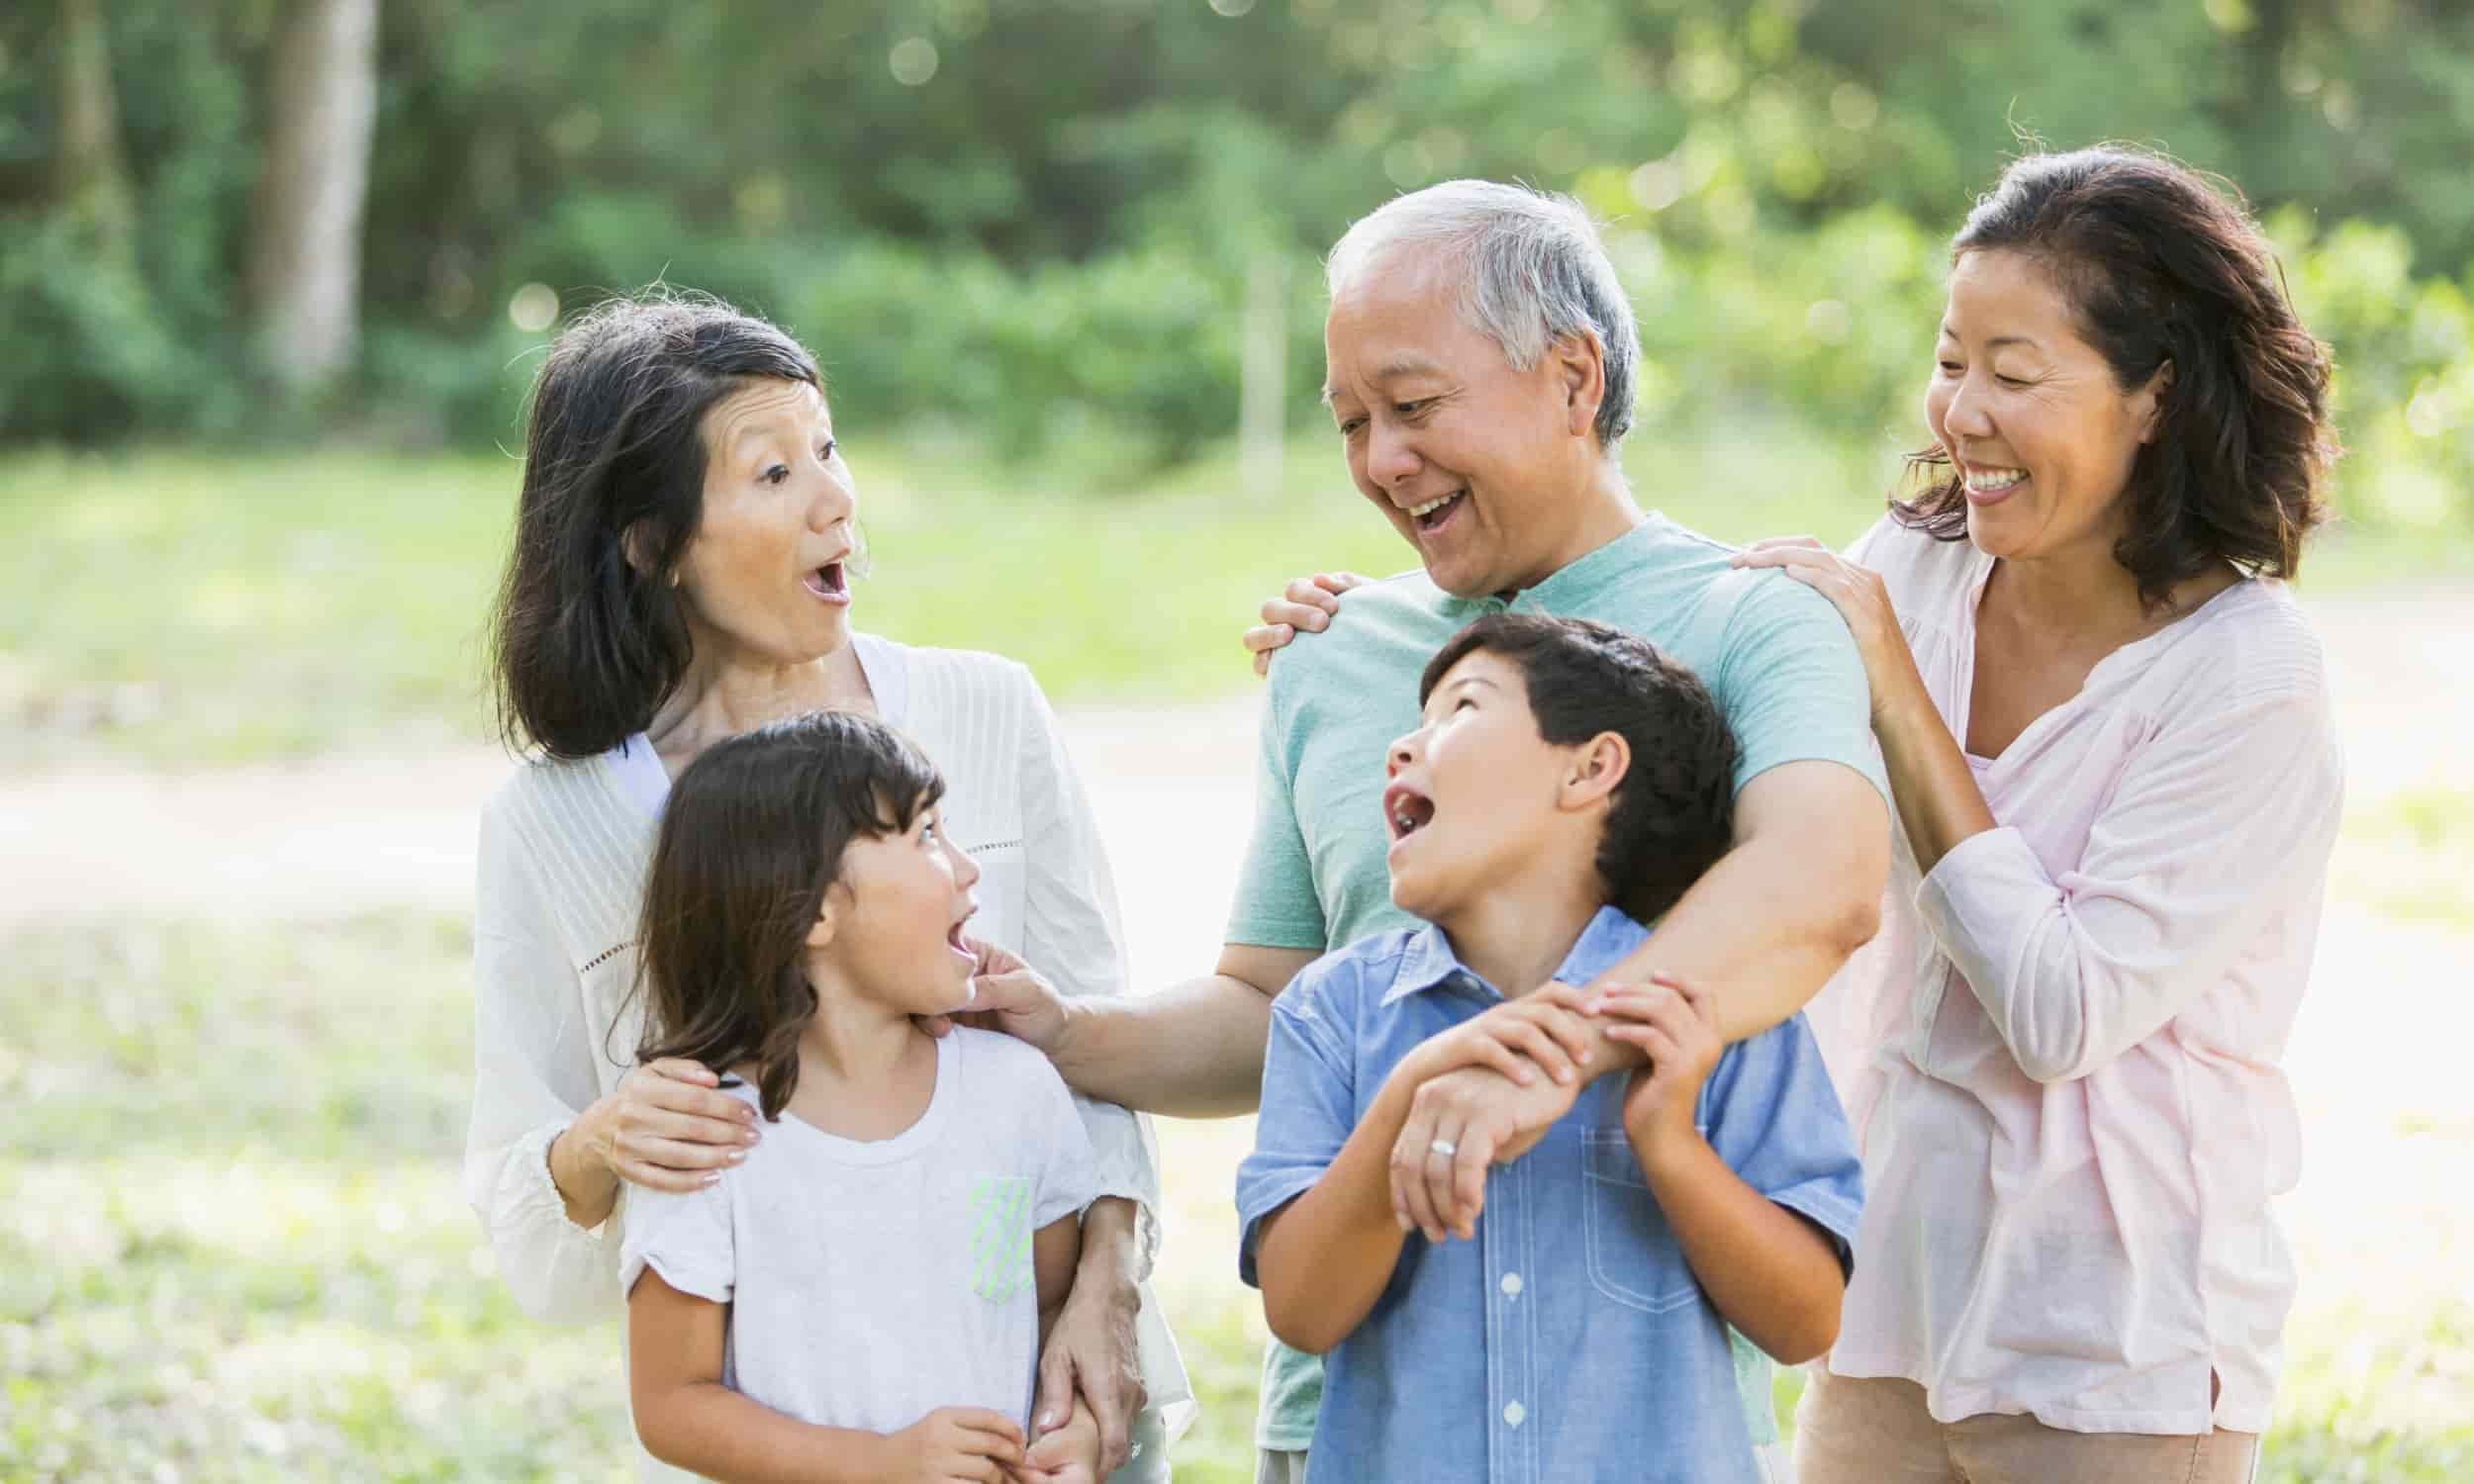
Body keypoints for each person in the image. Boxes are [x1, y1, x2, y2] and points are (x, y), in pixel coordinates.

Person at [968, 180, 1891, 1482]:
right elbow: (1272, 1004)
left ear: (1575, 379)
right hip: (1359, 1421)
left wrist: (1541, 1056)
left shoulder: (1753, 620)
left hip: (1632, 1425)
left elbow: (1827, 880)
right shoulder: (1333, 657)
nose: (1379, 462)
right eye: (1351, 423)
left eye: (1412, 407)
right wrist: (1073, 1036)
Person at [461, 292, 1187, 1483]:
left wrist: (1102, 1289)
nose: (837, 500)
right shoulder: (556, 821)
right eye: (773, 472)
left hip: (1044, 1432)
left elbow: (1092, 1058)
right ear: (650, 541)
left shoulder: (984, 714)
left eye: (830, 450)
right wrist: (603, 1141)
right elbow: (528, 1218)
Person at [1728, 146, 2345, 1482]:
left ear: (2154, 398)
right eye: (1953, 363)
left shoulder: (2250, 676)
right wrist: (1384, 626)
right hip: (1891, 1301)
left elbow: (2063, 1009)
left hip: (2120, 1350)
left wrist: (1893, 687)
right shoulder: (1923, 569)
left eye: (2015, 375)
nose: (1961, 414)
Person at [1237, 614, 1864, 1483]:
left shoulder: (1709, 1014)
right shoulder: (1334, 1012)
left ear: (1592, 768)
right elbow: (1302, 1312)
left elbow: (1805, 1326)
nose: (1402, 747)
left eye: (1459, 709)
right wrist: (1407, 1098)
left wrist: (1669, 1142)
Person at [623, 711, 1102, 1484]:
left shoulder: (1015, 1093)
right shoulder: (704, 1135)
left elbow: (1051, 1319)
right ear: (813, 909)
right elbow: (673, 1404)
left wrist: (1069, 1437)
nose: (968, 869)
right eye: (925, 836)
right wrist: (878, 1465)